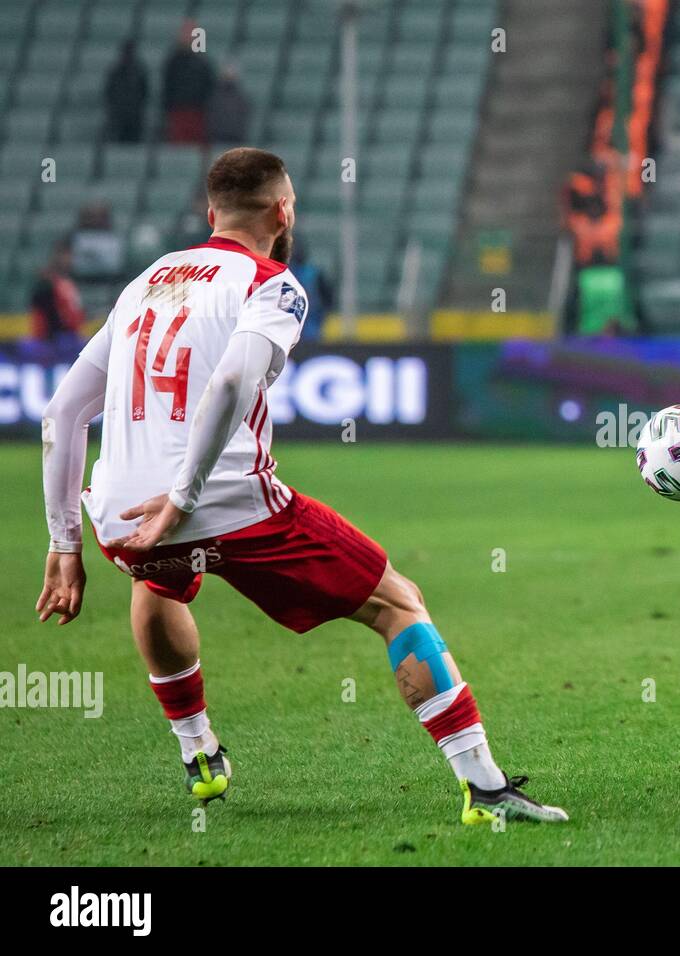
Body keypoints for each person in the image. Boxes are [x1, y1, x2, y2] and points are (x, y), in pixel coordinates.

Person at [36, 147, 567, 825]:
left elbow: (62, 413)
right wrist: (186, 495)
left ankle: (198, 751)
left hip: (119, 515)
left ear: (211, 213)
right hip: (221, 503)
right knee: (398, 603)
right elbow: (232, 381)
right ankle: (486, 790)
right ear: (282, 211)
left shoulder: (147, 278)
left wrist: (64, 542)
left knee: (156, 582)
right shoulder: (273, 283)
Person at [26, 239, 86, 361]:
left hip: (70, 338)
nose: (68, 259)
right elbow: (43, 311)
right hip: (53, 340)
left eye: (70, 255)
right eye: (65, 254)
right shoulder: (47, 285)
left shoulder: (68, 282)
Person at [161, 19, 214, 144]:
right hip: (177, 112)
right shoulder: (172, 62)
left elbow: (209, 86)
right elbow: (167, 88)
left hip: (198, 113)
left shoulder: (202, 62)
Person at [104, 40, 148, 143]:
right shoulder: (115, 73)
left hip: (135, 117)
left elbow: (144, 93)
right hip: (119, 117)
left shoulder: (139, 72)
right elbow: (109, 94)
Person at [206, 63, 250, 146]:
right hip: (218, 136)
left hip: (235, 137)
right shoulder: (215, 96)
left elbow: (243, 117)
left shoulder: (240, 97)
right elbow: (211, 116)